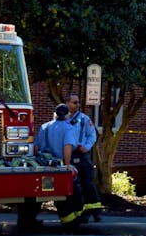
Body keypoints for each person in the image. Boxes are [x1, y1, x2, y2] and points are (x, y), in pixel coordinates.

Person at [32, 103, 83, 228]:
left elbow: (36, 147)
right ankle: (70, 222)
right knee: (69, 194)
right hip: (59, 166)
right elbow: (67, 147)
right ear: (67, 115)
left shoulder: (45, 127)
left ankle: (27, 221)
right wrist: (67, 165)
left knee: (38, 195)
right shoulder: (68, 128)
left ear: (55, 114)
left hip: (43, 165)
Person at [66, 93, 102, 222]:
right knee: (76, 186)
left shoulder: (84, 119)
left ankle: (96, 212)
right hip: (69, 156)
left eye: (78, 102)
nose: (77, 105)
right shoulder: (62, 120)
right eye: (74, 102)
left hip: (82, 154)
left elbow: (92, 135)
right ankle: (81, 213)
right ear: (67, 103)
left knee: (88, 183)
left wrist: (86, 147)